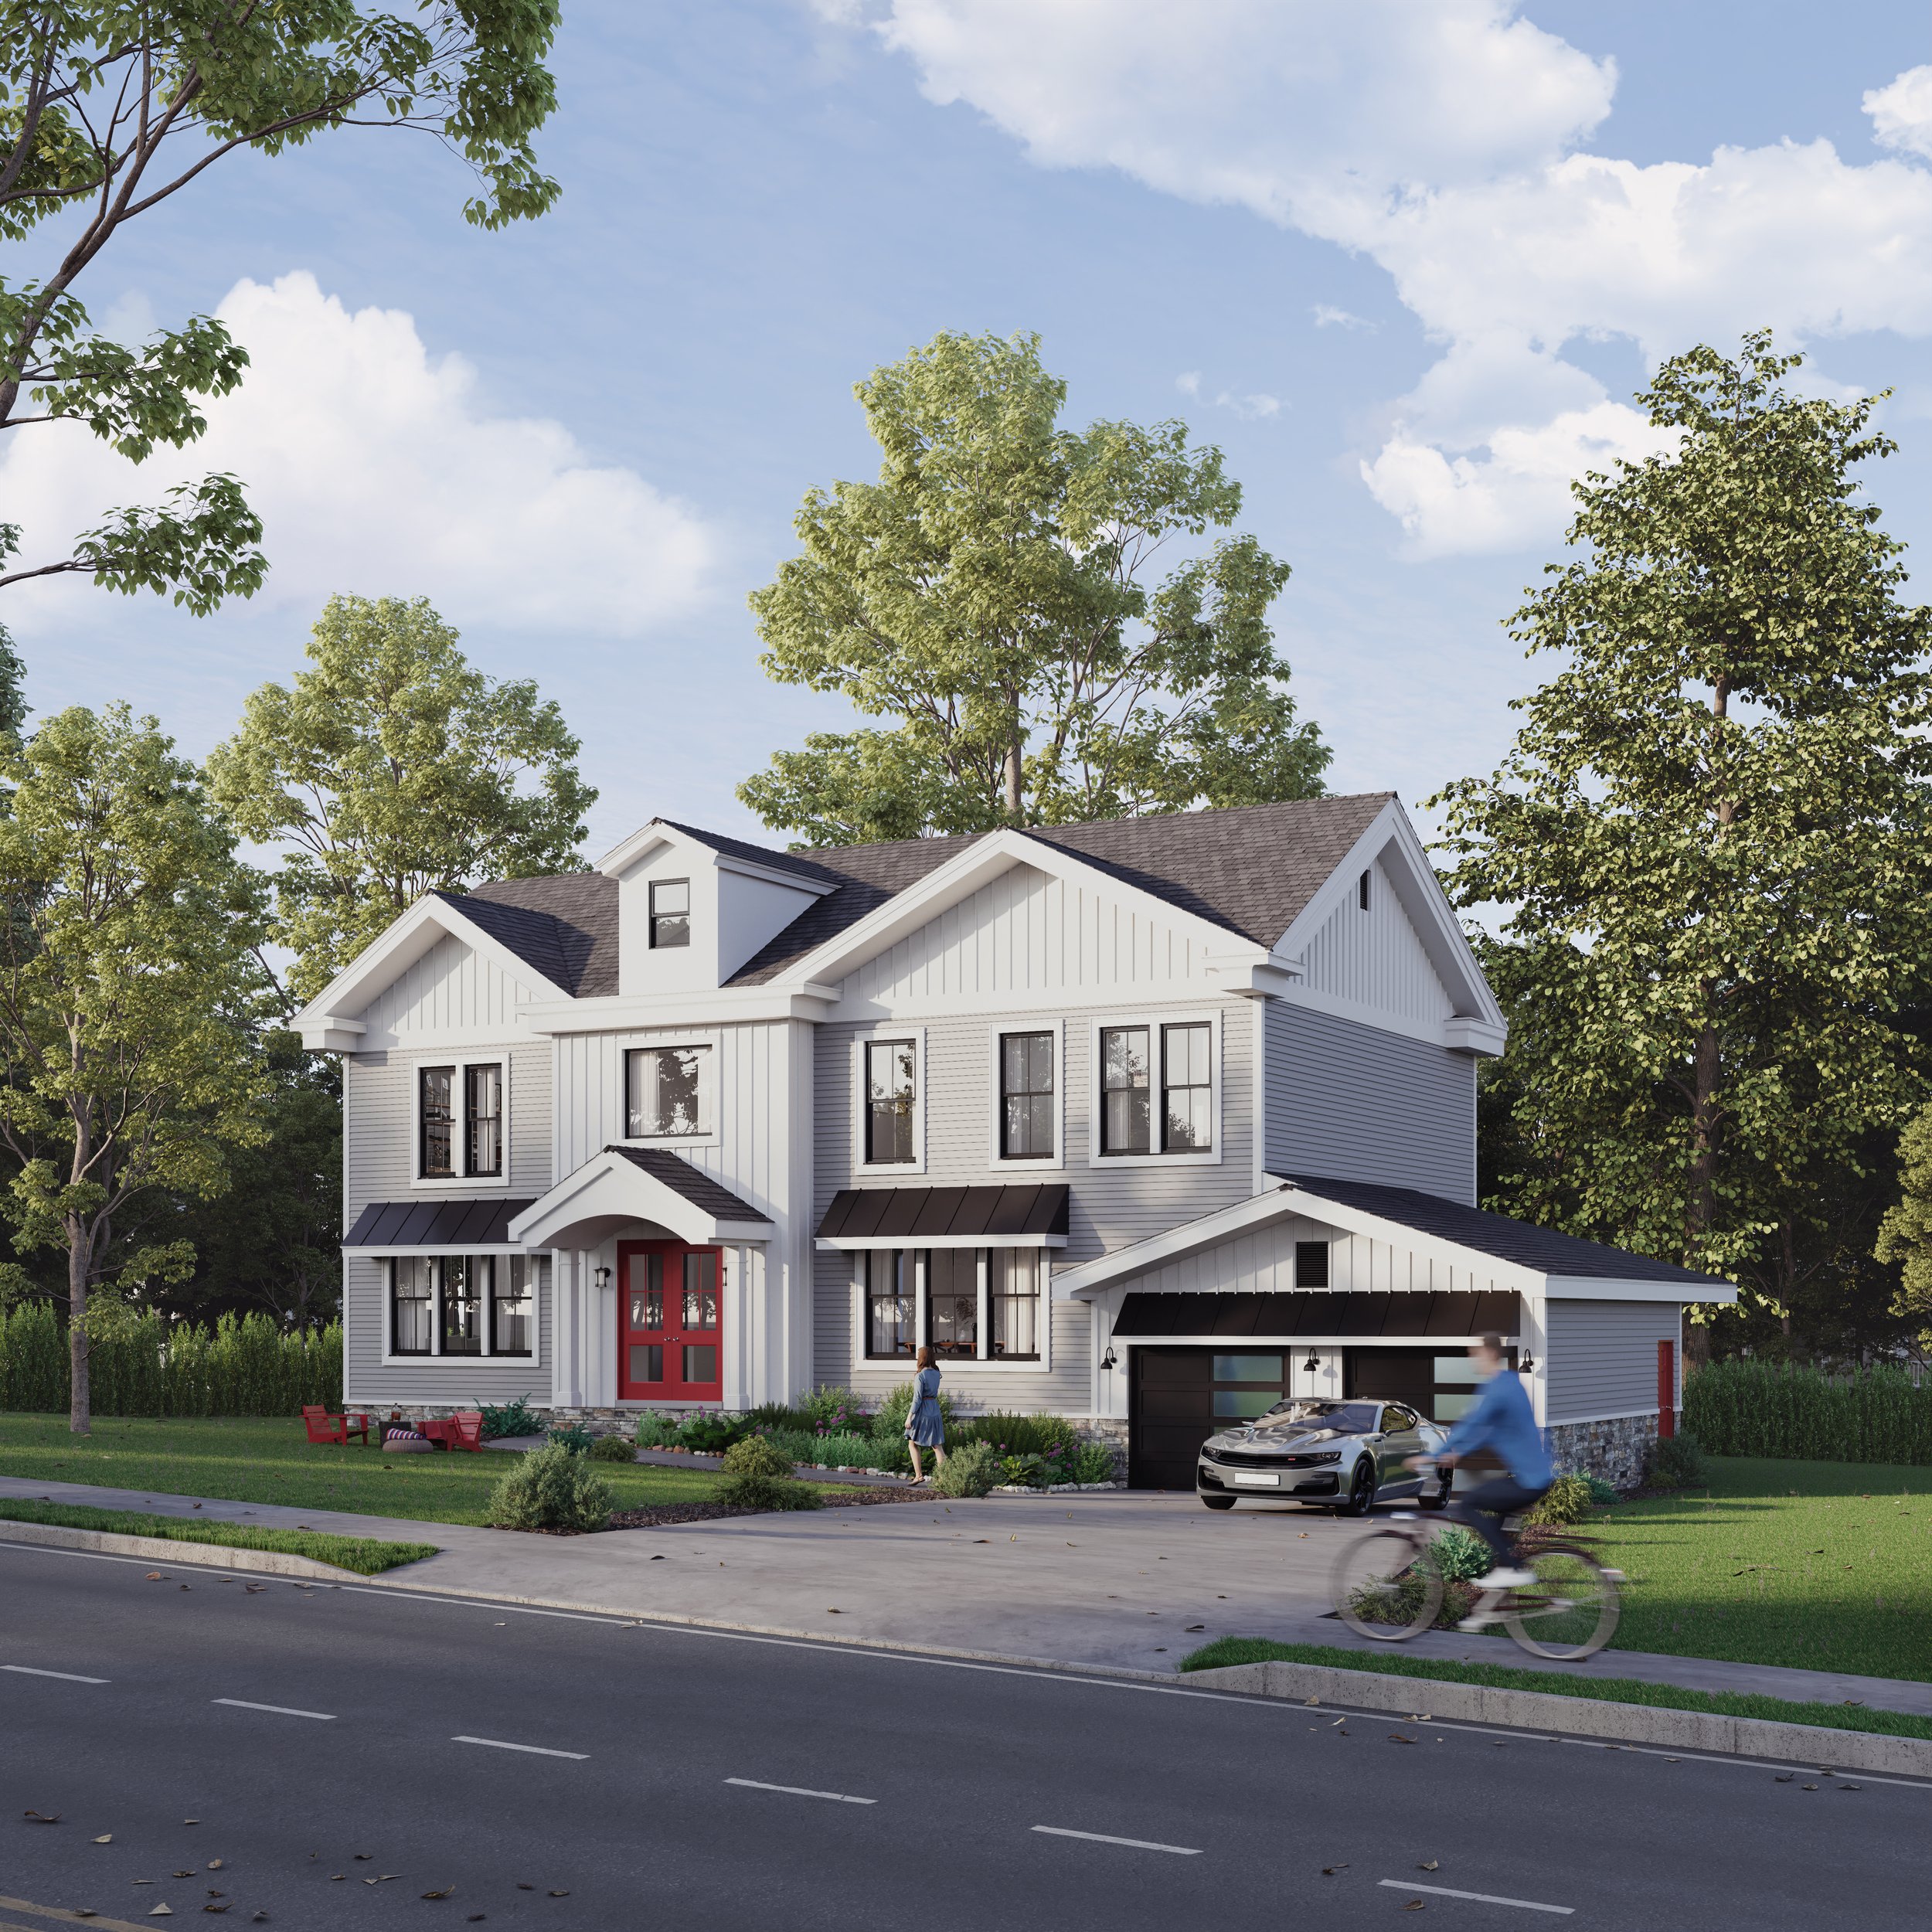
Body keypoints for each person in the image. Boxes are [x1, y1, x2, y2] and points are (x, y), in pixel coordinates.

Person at [1406, 1332, 1552, 1590]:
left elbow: (1471, 1425)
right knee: (1495, 1516)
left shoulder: (1497, 1388)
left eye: (1477, 1354)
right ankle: (1505, 1571)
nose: (1473, 1360)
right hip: (1534, 1477)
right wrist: (1458, 1454)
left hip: (1529, 1481)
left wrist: (1431, 1455)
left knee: (1468, 1504)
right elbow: (1489, 1431)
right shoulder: (1510, 1382)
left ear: (1492, 1354)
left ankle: (1512, 1568)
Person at [905, 1345, 947, 1485]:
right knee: (937, 1445)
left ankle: (919, 1475)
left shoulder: (920, 1376)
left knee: (912, 1441)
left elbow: (917, 1398)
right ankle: (944, 1478)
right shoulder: (936, 1373)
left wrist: (909, 1416)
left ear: (921, 1358)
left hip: (923, 1410)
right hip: (934, 1409)